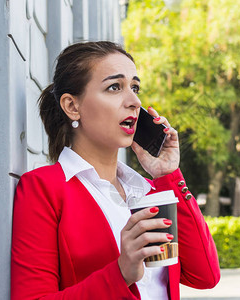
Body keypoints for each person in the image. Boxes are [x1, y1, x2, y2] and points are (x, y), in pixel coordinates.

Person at [11, 41, 220, 300]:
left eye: (134, 87)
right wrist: (120, 274)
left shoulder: (147, 191)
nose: (134, 101)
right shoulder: (44, 188)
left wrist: (168, 174)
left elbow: (205, 276)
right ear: (72, 106)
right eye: (114, 87)